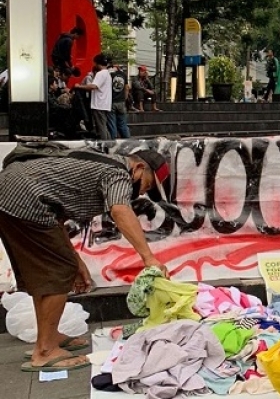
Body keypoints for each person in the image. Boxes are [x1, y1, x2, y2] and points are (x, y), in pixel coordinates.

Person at [0, 149, 170, 372]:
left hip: (13, 193)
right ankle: (45, 351)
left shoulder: (98, 166)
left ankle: (49, 338)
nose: (143, 192)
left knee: (49, 271)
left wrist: (76, 259)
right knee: (58, 271)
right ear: (138, 168)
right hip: (24, 197)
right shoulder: (118, 173)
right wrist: (148, 258)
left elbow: (56, 217)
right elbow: (120, 210)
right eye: (148, 185)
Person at [74, 54, 112, 140]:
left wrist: (79, 86)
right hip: (105, 104)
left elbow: (93, 86)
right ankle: (109, 144)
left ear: (98, 63)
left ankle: (105, 146)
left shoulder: (100, 74)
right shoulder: (107, 73)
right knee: (104, 126)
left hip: (99, 104)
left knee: (101, 127)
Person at [107, 65, 131, 139]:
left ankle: (113, 140)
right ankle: (127, 139)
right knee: (122, 123)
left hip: (112, 102)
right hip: (121, 102)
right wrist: (125, 98)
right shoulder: (123, 75)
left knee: (112, 123)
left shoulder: (110, 75)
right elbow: (127, 87)